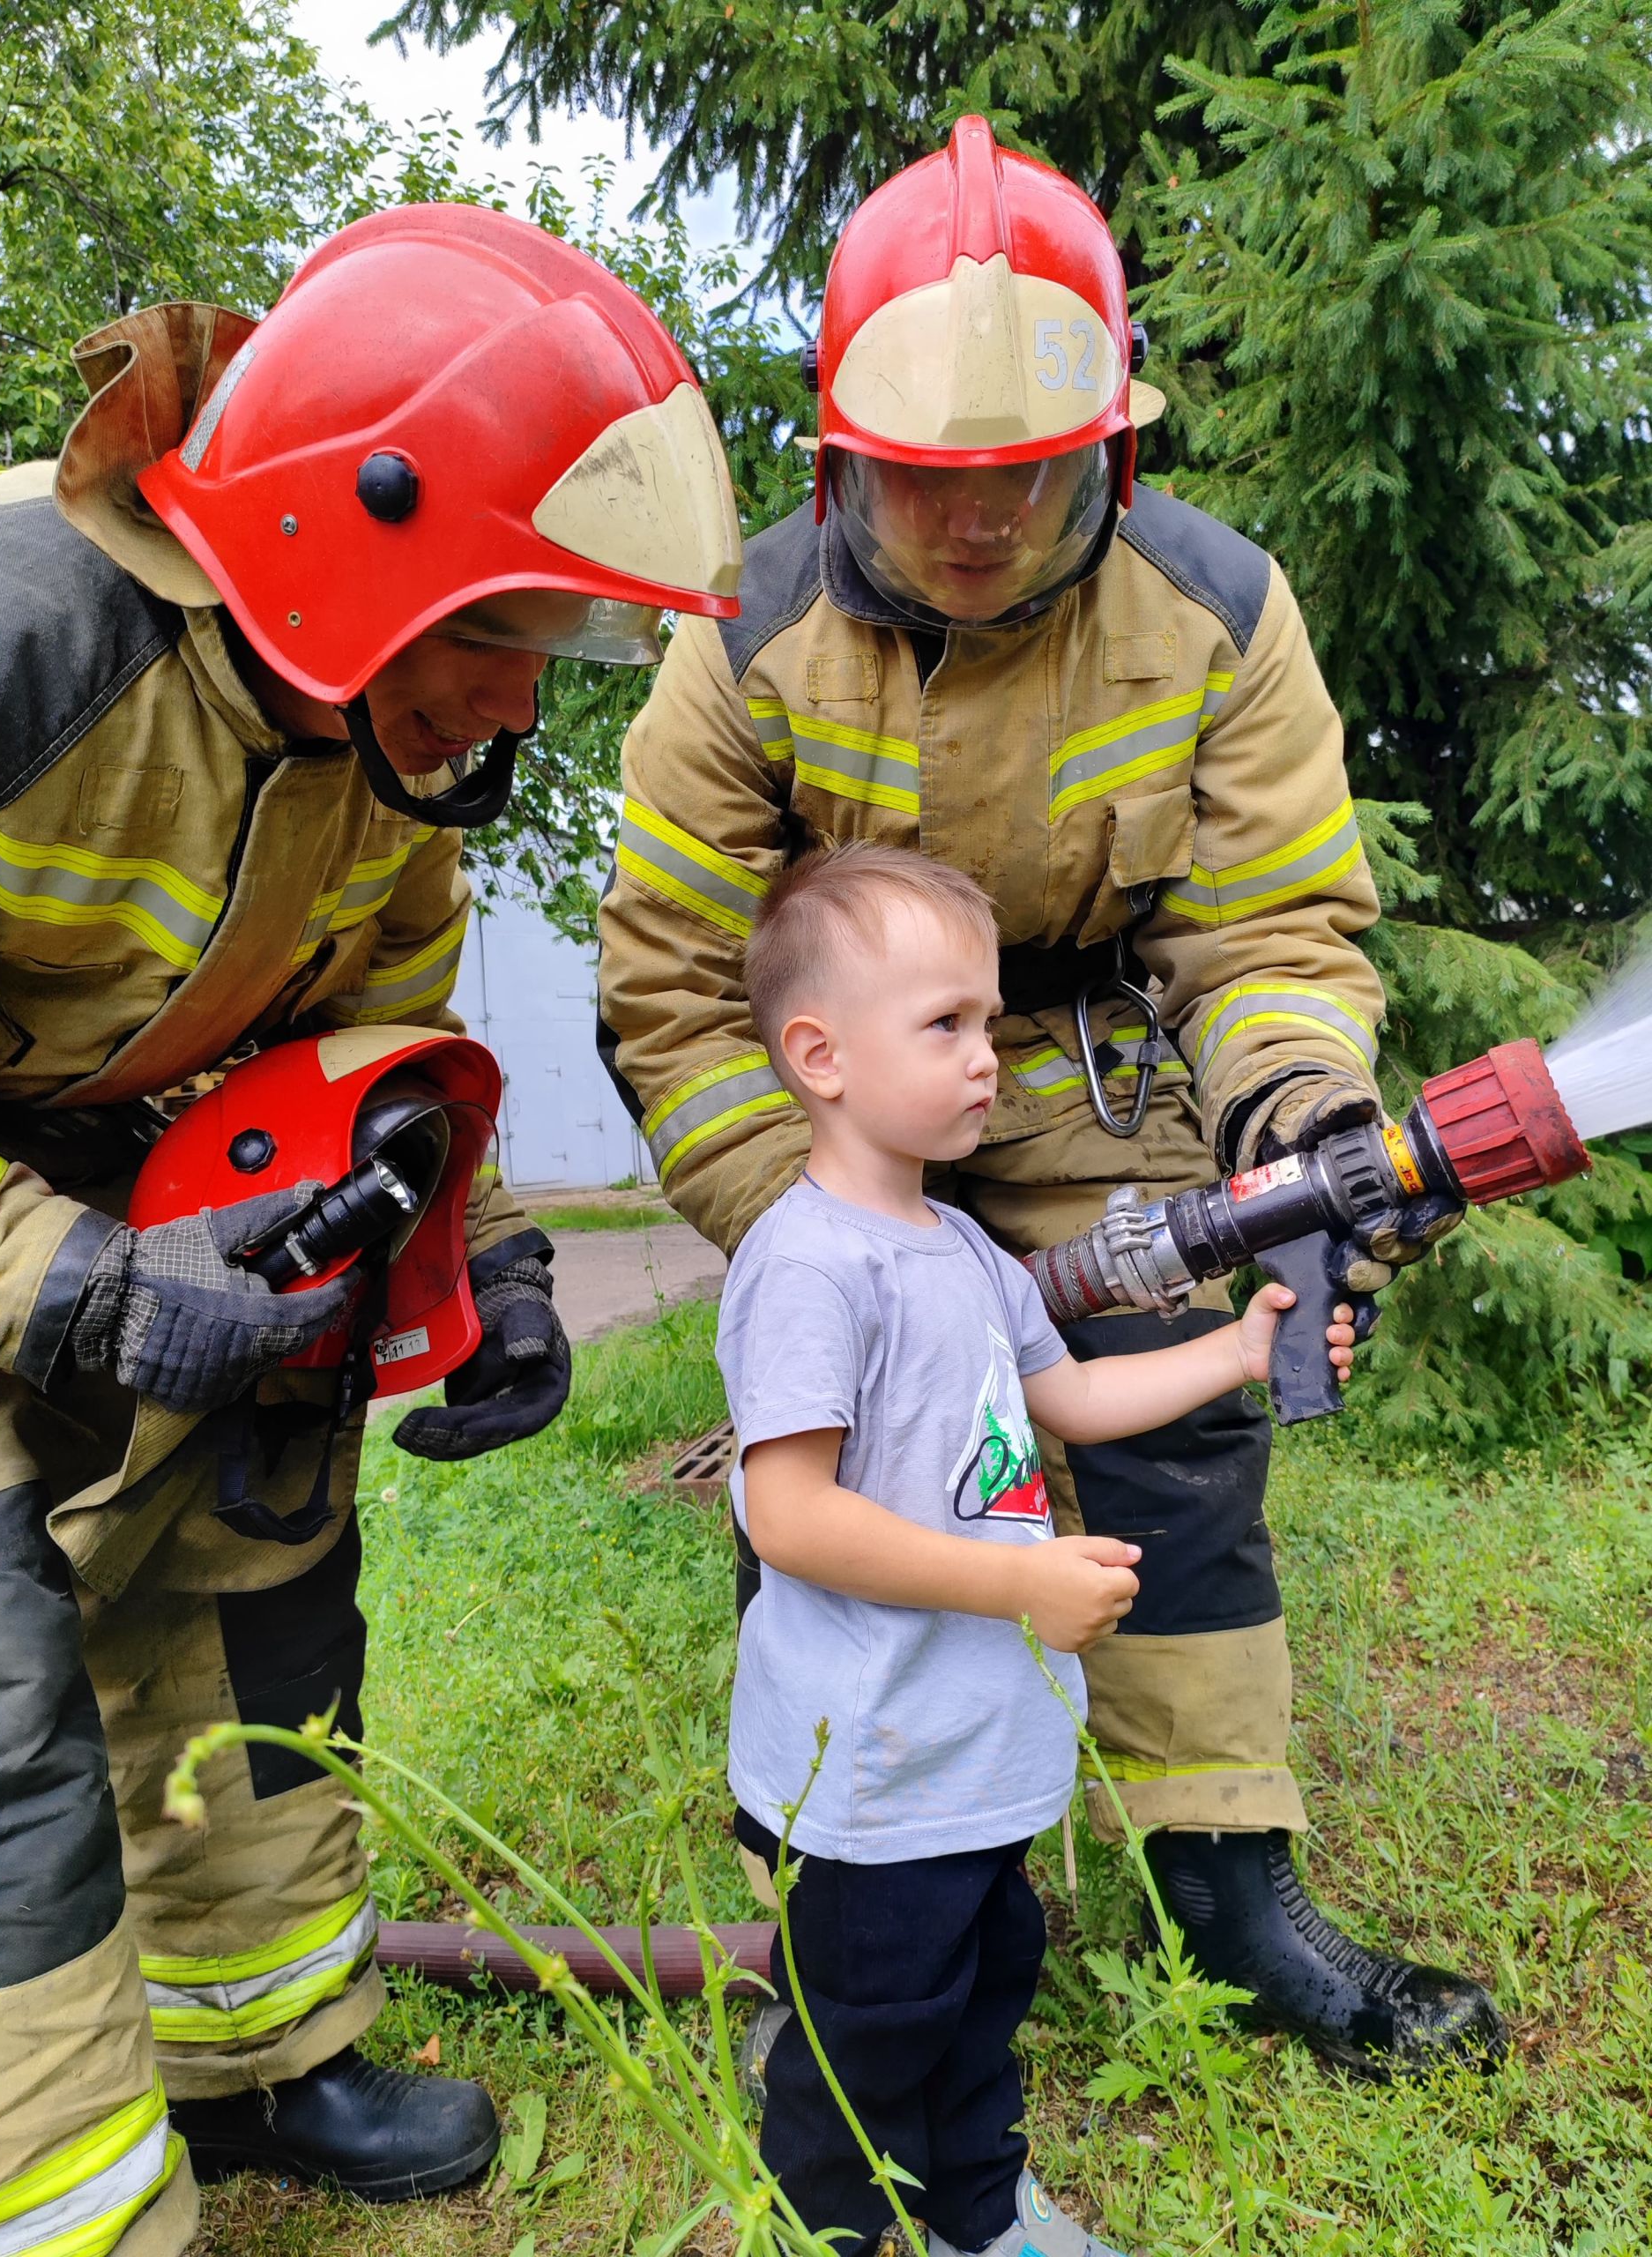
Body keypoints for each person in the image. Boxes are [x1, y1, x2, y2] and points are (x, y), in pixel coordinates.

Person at [598, 114, 1502, 2080]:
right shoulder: (737, 640)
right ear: (842, 462)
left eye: (1031, 476)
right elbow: (671, 992)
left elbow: (1269, 931)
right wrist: (829, 1237)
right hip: (824, 1108)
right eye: (933, 486)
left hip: (1090, 1077)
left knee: (1184, 1421)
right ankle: (825, 1856)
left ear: (1118, 449)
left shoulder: (1219, 614)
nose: (985, 522)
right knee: (834, 1454)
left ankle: (1223, 1877)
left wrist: (1289, 1120)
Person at [0, 205, 742, 2251]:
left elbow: (376, 1025)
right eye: (513, 628)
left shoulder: (377, 730)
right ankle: (50, 2207)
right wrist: (86, 1286)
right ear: (351, 536)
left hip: (114, 1166)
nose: (518, 702)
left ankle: (259, 2055)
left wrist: (469, 1260)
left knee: (266, 1539)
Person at [720, 844, 1358, 2257]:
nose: (987, 1058)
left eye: (990, 1020)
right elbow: (792, 1515)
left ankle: (978, 2213)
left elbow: (1066, 1401)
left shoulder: (963, 1250)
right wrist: (1020, 1578)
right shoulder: (809, 1265)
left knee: (984, 1988)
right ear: (818, 1055)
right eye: (944, 1024)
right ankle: (838, 2228)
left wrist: (1237, 1352)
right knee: (862, 2041)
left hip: (969, 1754)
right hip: (871, 1766)